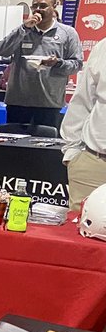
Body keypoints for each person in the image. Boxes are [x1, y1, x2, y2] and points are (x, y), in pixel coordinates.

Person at [0, 0, 83, 128]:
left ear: (54, 7)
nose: (38, 9)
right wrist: (24, 29)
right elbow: (2, 50)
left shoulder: (68, 33)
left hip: (49, 103)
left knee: (45, 139)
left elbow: (77, 64)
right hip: (18, 102)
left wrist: (58, 63)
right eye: (35, 6)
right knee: (14, 139)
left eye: (43, 6)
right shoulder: (23, 30)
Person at [61, 39, 106, 210]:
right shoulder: (103, 47)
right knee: (79, 227)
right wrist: (73, 153)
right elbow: (82, 101)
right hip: (94, 164)